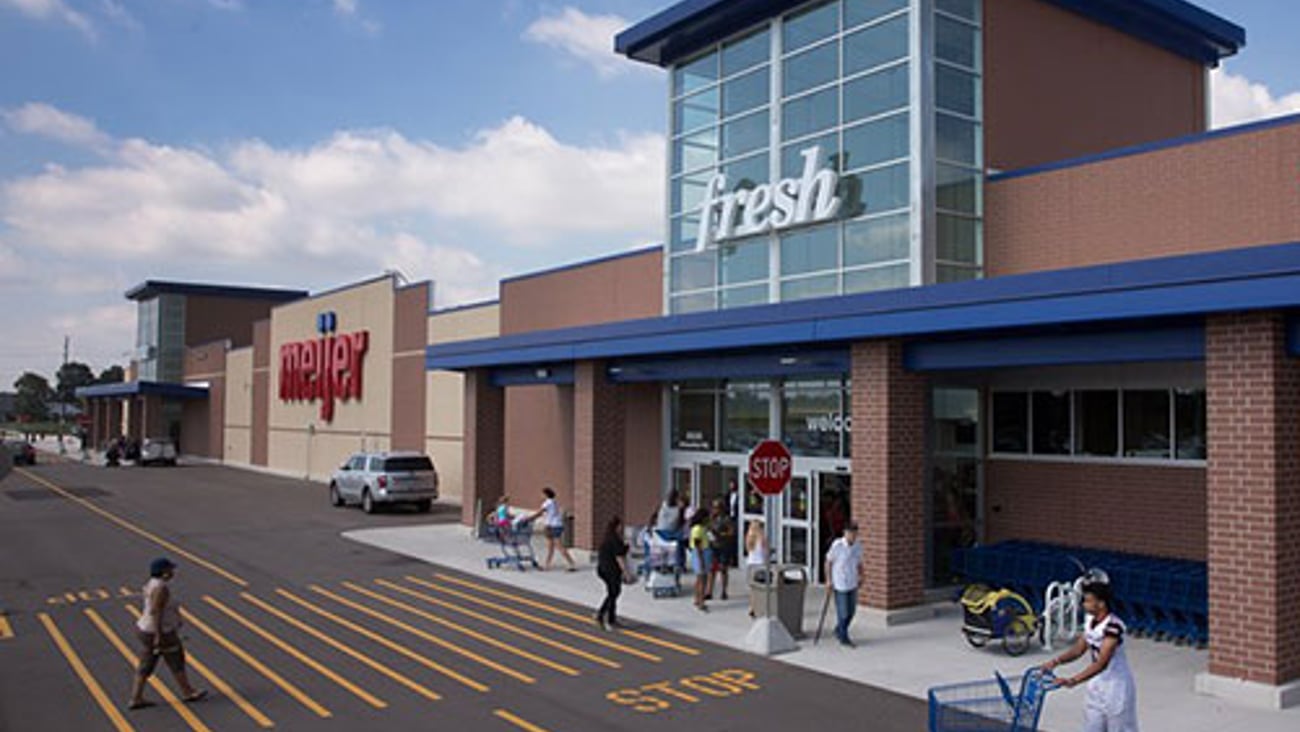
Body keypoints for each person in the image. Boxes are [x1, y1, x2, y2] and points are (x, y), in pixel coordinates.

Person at [1041, 582, 1139, 732]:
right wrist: (1055, 662)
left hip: (1116, 689)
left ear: (1101, 604)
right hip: (1097, 686)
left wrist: (1073, 680)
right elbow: (1078, 650)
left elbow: (1101, 663)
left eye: (1088, 600)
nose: (1084, 604)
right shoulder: (1089, 622)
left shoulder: (1113, 627)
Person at [129, 558, 206, 710]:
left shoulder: (151, 584)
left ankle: (136, 697)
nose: (172, 572)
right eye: (170, 570)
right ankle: (188, 692)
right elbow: (155, 612)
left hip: (145, 629)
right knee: (176, 659)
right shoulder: (161, 589)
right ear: (164, 573)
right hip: (161, 632)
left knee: (147, 663)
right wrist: (159, 635)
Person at [824, 521, 862, 647]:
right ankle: (844, 637)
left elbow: (859, 562)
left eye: (855, 533)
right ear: (845, 533)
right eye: (850, 533)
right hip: (840, 583)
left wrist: (862, 575)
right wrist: (829, 580)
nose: (853, 535)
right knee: (843, 612)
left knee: (851, 611)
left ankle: (839, 629)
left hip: (852, 581)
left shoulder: (857, 546)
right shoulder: (837, 545)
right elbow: (828, 562)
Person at [595, 516, 632, 631]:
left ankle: (611, 618)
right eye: (621, 525)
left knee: (614, 592)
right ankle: (601, 615)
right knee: (613, 593)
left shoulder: (608, 537)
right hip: (610, 570)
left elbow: (621, 551)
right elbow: (619, 557)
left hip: (603, 569)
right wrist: (626, 573)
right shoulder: (614, 539)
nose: (622, 528)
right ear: (617, 526)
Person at [528, 487, 576, 572]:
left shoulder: (547, 503)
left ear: (546, 494)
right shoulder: (554, 502)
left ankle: (571, 563)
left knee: (559, 546)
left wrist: (529, 518)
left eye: (542, 494)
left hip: (553, 526)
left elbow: (540, 512)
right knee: (550, 547)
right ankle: (547, 564)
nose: (541, 496)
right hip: (551, 526)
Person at [708, 499, 736, 600]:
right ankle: (709, 591)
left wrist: (721, 534)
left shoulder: (726, 519)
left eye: (716, 508)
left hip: (723, 546)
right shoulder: (712, 519)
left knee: (723, 569)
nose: (714, 510)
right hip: (713, 546)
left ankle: (724, 591)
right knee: (711, 569)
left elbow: (731, 532)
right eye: (713, 507)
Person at [688, 510, 713, 612]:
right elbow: (697, 545)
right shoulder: (697, 529)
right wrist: (701, 560)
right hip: (701, 553)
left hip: (704, 552)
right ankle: (701, 601)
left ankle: (697, 598)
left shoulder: (702, 528)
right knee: (702, 579)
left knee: (699, 579)